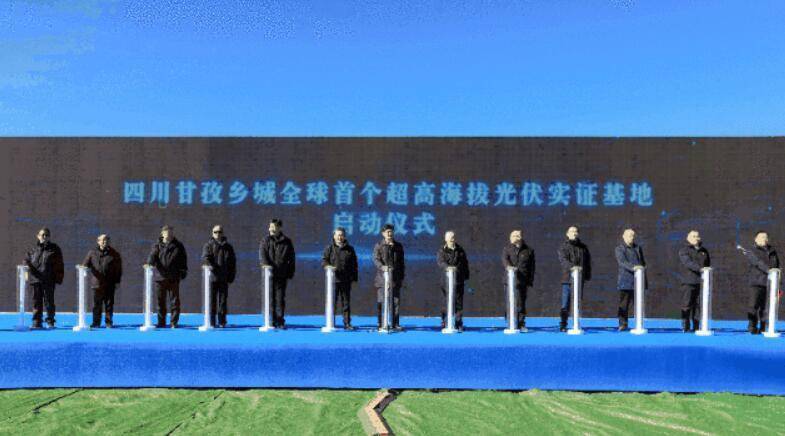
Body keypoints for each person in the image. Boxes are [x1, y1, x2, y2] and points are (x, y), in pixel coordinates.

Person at [146, 225, 188, 328]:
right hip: (160, 277)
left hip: (174, 277)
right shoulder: (157, 245)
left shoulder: (178, 246)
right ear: (162, 233)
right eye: (166, 232)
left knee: (174, 302)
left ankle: (174, 322)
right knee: (160, 302)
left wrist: (183, 271)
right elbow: (152, 256)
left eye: (170, 232)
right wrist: (149, 263)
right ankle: (161, 322)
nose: (168, 234)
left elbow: (183, 260)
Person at [24, 228, 64, 329]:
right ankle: (37, 321)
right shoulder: (32, 249)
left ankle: (50, 321)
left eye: (47, 235)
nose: (45, 237)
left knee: (49, 302)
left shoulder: (55, 249)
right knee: (36, 302)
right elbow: (26, 262)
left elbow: (60, 264)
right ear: (38, 236)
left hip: (48, 280)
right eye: (43, 235)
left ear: (49, 237)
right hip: (35, 280)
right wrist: (26, 273)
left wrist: (58, 278)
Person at [259, 218, 296, 329]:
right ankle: (270, 320)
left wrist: (290, 272)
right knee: (269, 298)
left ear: (279, 228)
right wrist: (267, 266)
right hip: (268, 276)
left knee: (280, 299)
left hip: (281, 275)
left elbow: (291, 259)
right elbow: (262, 256)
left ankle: (280, 321)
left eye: (273, 227)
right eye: (270, 227)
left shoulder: (287, 242)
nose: (270, 229)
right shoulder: (265, 240)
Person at [741, 231, 779, 334]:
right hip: (756, 282)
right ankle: (752, 327)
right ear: (756, 239)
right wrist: (769, 270)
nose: (764, 239)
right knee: (753, 306)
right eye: (761, 237)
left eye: (766, 237)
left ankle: (764, 327)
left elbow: (777, 266)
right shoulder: (751, 250)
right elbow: (757, 263)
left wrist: (777, 279)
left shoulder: (772, 251)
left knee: (766, 307)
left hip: (770, 283)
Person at [321, 227, 359, 330]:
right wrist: (328, 266)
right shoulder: (329, 248)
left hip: (346, 280)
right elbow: (324, 261)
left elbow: (354, 264)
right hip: (333, 281)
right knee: (332, 302)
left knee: (346, 303)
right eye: (337, 235)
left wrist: (354, 277)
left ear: (344, 236)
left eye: (341, 235)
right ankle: (331, 322)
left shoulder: (350, 249)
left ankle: (347, 323)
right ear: (334, 236)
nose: (339, 237)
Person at [82, 234, 123, 328]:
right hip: (97, 283)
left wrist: (117, 281)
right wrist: (82, 268)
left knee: (109, 304)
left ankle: (108, 322)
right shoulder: (92, 253)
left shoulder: (114, 254)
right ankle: (96, 323)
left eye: (107, 240)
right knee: (97, 305)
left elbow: (118, 270)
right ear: (98, 241)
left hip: (110, 283)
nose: (105, 241)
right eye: (103, 240)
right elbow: (85, 264)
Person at [201, 225, 236, 328]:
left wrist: (231, 276)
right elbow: (205, 258)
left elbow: (232, 263)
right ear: (212, 233)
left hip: (224, 278)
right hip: (212, 278)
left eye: (219, 232)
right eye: (215, 232)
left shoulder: (228, 247)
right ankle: (211, 322)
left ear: (223, 233)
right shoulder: (208, 245)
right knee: (211, 301)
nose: (217, 234)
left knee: (223, 301)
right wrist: (212, 267)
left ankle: (222, 321)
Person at [557, 226, 591, 332]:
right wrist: (573, 267)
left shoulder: (583, 247)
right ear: (567, 234)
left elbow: (587, 262)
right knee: (565, 303)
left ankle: (576, 323)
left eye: (576, 231)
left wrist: (587, 275)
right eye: (572, 231)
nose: (574, 233)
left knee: (577, 301)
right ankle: (563, 324)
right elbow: (563, 260)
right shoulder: (563, 247)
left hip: (579, 279)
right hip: (567, 279)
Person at [373, 224, 406, 330]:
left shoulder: (398, 246)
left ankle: (395, 323)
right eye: (387, 232)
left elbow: (401, 263)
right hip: (382, 279)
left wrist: (401, 277)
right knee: (381, 301)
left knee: (395, 302)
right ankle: (381, 323)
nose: (389, 234)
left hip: (395, 279)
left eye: (391, 231)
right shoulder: (379, 245)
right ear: (383, 234)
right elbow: (376, 259)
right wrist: (382, 267)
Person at [501, 229, 535, 330]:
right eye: (512, 236)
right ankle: (510, 322)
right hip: (509, 281)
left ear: (521, 237)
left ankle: (521, 323)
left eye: (516, 235)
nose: (514, 238)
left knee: (521, 303)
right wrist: (509, 267)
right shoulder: (506, 249)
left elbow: (532, 267)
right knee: (509, 301)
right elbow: (505, 260)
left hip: (522, 281)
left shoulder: (529, 250)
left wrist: (530, 280)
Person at [437, 230, 470, 331]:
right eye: (450, 237)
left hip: (458, 280)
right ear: (446, 239)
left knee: (458, 303)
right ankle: (445, 321)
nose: (452, 239)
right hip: (445, 281)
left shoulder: (460, 250)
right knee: (445, 302)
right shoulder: (441, 250)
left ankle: (458, 323)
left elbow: (465, 264)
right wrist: (448, 267)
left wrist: (466, 277)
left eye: (453, 237)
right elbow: (441, 262)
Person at [678, 230, 710, 332]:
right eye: (693, 236)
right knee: (686, 304)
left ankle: (696, 326)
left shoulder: (704, 250)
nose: (695, 238)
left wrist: (706, 271)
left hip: (701, 282)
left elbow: (707, 264)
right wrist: (701, 269)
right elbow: (688, 263)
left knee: (698, 305)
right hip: (688, 282)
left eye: (697, 236)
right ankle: (685, 326)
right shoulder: (684, 250)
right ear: (688, 238)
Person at [614, 229, 646, 331]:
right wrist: (634, 267)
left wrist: (642, 269)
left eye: (633, 235)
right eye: (629, 235)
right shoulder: (619, 249)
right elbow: (622, 262)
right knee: (624, 304)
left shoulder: (638, 248)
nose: (631, 237)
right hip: (625, 280)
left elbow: (642, 262)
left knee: (638, 303)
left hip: (638, 280)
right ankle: (623, 324)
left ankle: (639, 323)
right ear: (623, 236)